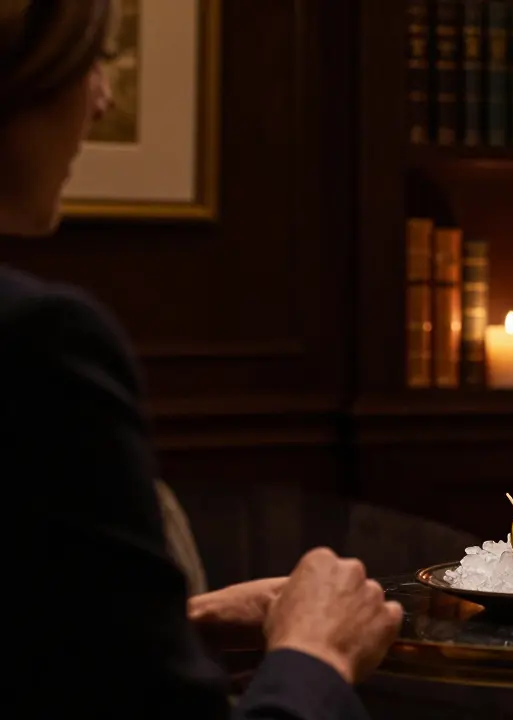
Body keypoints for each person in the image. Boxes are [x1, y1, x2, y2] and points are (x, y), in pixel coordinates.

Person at [2, 2, 402, 717]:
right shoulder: (38, 344)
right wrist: (316, 654)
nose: (103, 99)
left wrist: (170, 630)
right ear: (20, 80)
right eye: (90, 63)